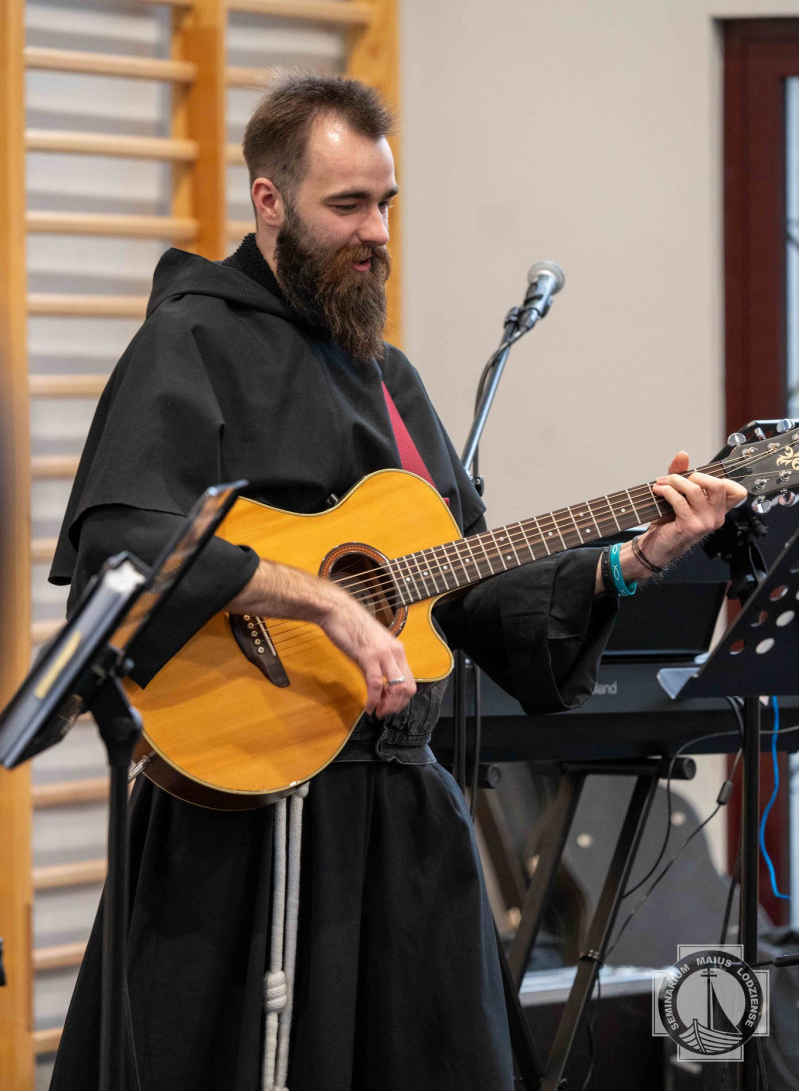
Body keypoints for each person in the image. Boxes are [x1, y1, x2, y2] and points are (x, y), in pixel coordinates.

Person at [48, 73, 745, 1091]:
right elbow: (127, 547)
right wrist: (317, 600)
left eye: (385, 204)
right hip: (243, 819)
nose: (375, 232)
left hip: (399, 823)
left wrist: (630, 562)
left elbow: (465, 597)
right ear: (268, 200)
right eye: (347, 205)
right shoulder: (187, 343)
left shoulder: (391, 380)